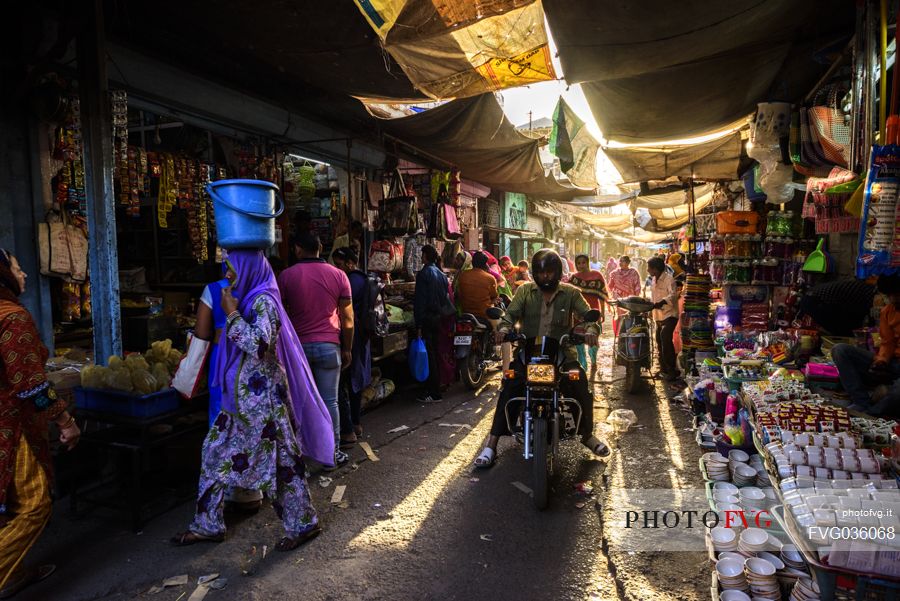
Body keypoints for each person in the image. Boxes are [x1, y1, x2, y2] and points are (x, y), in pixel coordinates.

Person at [172, 249, 332, 550]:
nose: (228, 276)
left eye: (231, 269)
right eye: (226, 268)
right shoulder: (249, 297)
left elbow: (258, 346)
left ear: (248, 269)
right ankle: (208, 524)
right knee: (214, 452)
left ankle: (302, 523)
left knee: (283, 461)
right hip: (240, 402)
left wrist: (231, 315)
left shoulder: (264, 301)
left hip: (263, 403)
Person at [473, 249, 610, 468]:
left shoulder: (571, 292)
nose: (545, 276)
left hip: (563, 354)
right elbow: (509, 316)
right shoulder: (525, 291)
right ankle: (491, 444)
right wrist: (503, 329)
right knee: (508, 387)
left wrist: (591, 330)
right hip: (529, 353)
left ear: (557, 272)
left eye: (550, 272)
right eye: (541, 272)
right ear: (535, 273)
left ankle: (587, 435)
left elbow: (589, 316)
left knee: (581, 385)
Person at [0, 249, 80, 595]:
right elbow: (31, 385)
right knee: (33, 505)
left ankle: (14, 573)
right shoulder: (12, 318)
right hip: (8, 429)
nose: (25, 274)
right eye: (18, 267)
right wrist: (64, 420)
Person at [278, 232, 355, 468]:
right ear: (321, 249)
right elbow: (348, 318)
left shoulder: (286, 276)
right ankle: (332, 454)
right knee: (329, 401)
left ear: (298, 249)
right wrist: (348, 348)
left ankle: (301, 453)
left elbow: (279, 314)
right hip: (329, 346)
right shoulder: (339, 275)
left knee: (299, 401)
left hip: (298, 349)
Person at [194, 259, 263, 511]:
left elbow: (201, 333)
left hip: (222, 363)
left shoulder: (213, 290)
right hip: (253, 365)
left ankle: (220, 494)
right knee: (251, 418)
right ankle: (250, 490)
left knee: (220, 421)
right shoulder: (261, 288)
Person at [832, 275, 900, 415]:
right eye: (889, 296)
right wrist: (882, 360)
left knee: (896, 393)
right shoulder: (888, 311)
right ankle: (861, 402)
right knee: (840, 350)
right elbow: (888, 342)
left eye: (896, 295)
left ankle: (870, 414)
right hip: (893, 362)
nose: (893, 299)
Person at [331, 247, 372, 446]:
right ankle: (355, 423)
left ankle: (351, 425)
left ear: (349, 263)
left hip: (351, 337)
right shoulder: (360, 279)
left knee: (346, 382)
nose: (336, 269)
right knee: (354, 379)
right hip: (359, 337)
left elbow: (345, 313)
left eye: (339, 265)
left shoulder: (351, 280)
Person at [414, 245, 452, 403]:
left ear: (426, 256)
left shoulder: (424, 274)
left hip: (427, 318)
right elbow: (445, 298)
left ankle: (433, 392)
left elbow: (420, 301)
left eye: (422, 254)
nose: (421, 257)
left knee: (429, 355)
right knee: (434, 353)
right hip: (438, 318)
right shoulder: (442, 275)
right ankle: (434, 389)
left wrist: (419, 324)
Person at [567, 254, 608, 374]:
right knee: (578, 341)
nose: (581, 265)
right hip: (577, 315)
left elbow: (601, 296)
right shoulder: (573, 278)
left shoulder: (597, 276)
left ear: (588, 263)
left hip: (593, 313)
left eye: (583, 262)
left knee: (593, 340)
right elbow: (569, 296)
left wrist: (602, 313)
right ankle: (582, 366)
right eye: (578, 263)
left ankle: (593, 360)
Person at [797, 278, 876, 337]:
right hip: (815, 301)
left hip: (813, 298)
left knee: (847, 330)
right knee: (844, 332)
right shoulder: (871, 294)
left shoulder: (866, 290)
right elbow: (864, 316)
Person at [648, 256, 680, 382]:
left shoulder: (669, 279)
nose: (648, 270)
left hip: (670, 314)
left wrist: (662, 302)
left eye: (649, 268)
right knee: (659, 341)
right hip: (658, 316)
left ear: (655, 269)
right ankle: (663, 369)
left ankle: (672, 370)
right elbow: (653, 297)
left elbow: (673, 295)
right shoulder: (653, 280)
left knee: (665, 338)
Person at [456, 251, 499, 320]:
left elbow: (459, 293)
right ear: (485, 263)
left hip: (465, 314)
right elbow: (494, 296)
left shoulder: (462, 275)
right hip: (484, 315)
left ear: (472, 262)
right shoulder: (490, 278)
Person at [607, 255, 643, 336]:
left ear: (628, 263)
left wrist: (636, 298)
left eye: (623, 261)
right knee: (618, 317)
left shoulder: (633, 272)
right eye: (620, 261)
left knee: (629, 316)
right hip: (618, 299)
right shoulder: (614, 273)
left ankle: (628, 335)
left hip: (630, 299)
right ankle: (618, 335)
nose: (620, 263)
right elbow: (610, 286)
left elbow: (637, 286)